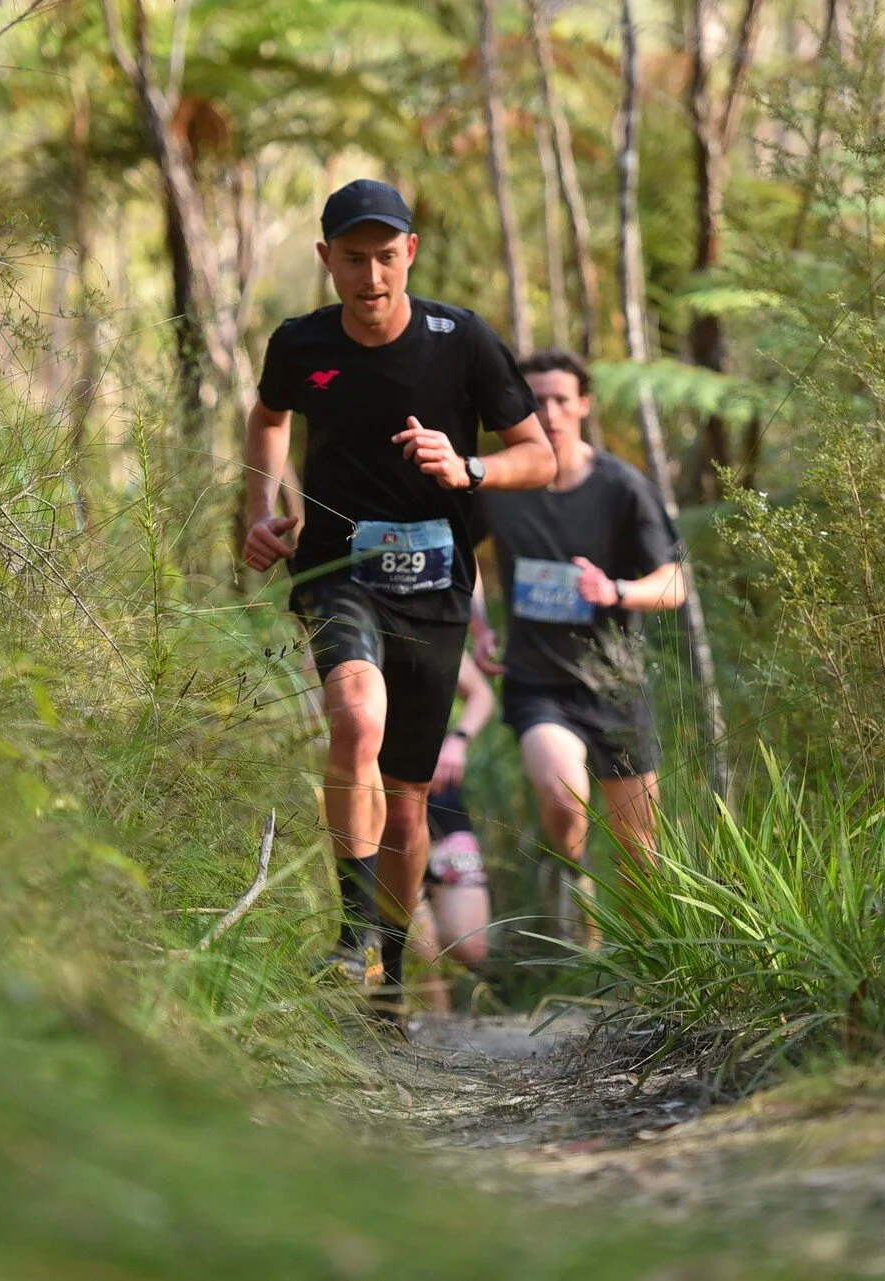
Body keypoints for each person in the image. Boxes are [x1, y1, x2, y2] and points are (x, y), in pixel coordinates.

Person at [241, 179, 555, 1022]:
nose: (371, 276)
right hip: (338, 567)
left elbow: (540, 456)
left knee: (409, 805)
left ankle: (386, 969)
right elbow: (269, 418)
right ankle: (352, 935)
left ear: (410, 252)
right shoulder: (301, 343)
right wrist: (259, 509)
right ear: (326, 261)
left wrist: (469, 468)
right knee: (353, 720)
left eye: (386, 257)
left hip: (437, 587)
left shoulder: (462, 341)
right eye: (353, 259)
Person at [473, 348, 685, 929]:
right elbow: (460, 553)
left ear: (583, 405)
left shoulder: (622, 486)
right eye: (536, 400)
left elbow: (674, 582)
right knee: (565, 797)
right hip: (537, 682)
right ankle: (575, 896)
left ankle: (651, 973)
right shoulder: (500, 483)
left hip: (616, 684)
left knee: (642, 850)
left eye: (562, 399)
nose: (549, 411)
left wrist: (614, 590)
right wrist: (480, 625)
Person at [408, 653, 495, 1011]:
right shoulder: (340, 627)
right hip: (378, 812)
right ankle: (435, 1027)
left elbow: (482, 693)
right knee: (415, 925)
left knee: (470, 945)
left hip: (443, 808)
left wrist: (458, 739)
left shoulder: (428, 615)